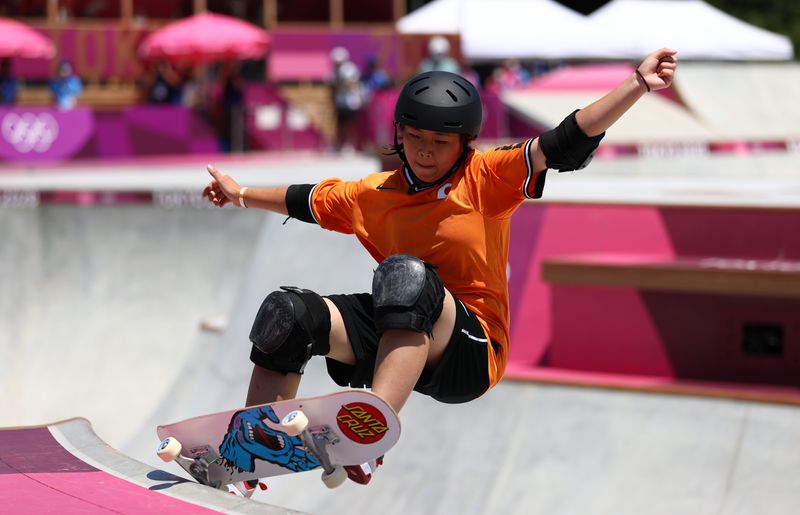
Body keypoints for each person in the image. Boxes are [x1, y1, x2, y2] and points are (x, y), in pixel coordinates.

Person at [204, 48, 678, 485]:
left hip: (470, 353)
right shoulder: (373, 196)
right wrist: (239, 194)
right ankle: (256, 449)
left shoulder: (487, 178)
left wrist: (636, 83)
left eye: (439, 142)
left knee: (406, 275)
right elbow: (305, 199)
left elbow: (566, 142)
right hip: (400, 335)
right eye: (414, 138)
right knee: (287, 314)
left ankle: (372, 433)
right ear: (398, 135)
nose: (425, 151)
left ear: (464, 144)